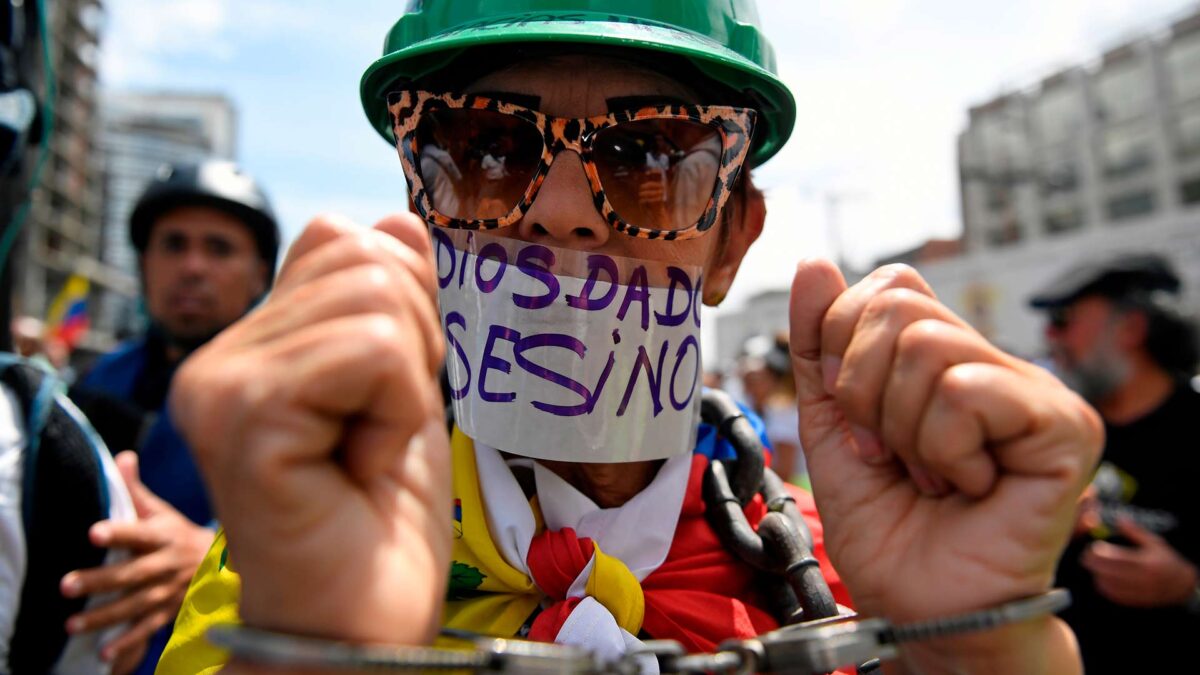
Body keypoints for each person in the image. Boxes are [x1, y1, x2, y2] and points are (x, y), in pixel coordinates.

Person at [161, 2, 1100, 674]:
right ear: (424, 211)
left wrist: (982, 645)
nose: (564, 213)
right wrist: (315, 651)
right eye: (489, 149)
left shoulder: (856, 563)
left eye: (651, 156)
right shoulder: (285, 545)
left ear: (733, 240)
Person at [66, 160, 280, 673]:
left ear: (261, 276)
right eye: (173, 244)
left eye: (220, 248)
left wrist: (214, 558)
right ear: (142, 264)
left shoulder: (302, 394)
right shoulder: (95, 382)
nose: (192, 267)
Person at [1030, 252, 1200, 673]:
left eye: (1064, 319)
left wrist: (1189, 587)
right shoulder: (1057, 433)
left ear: (1132, 327)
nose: (1050, 335)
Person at [739, 332, 807, 486]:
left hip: (795, 493)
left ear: (773, 378)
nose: (748, 388)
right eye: (745, 381)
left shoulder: (782, 411)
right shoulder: (757, 410)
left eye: (754, 380)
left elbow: (783, 471)